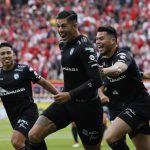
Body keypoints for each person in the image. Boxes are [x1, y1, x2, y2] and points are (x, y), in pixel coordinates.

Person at [28, 10, 103, 150]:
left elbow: (96, 80)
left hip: (88, 107)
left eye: (63, 26)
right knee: (33, 135)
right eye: (58, 26)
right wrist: (68, 96)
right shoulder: (63, 44)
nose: (60, 30)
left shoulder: (85, 47)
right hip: (66, 104)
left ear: (75, 25)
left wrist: (70, 94)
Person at [96, 26, 150, 150]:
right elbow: (99, 84)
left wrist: (103, 71)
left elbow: (118, 69)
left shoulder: (123, 55)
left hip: (139, 105)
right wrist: (101, 94)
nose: (98, 41)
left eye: (101, 38)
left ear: (113, 40)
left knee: (111, 137)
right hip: (122, 106)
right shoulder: (101, 59)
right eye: (97, 39)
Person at [0, 42, 58, 150]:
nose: (6, 55)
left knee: (16, 142)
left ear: (13, 55)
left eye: (8, 53)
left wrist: (58, 95)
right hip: (14, 117)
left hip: (28, 113)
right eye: (2, 54)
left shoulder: (24, 69)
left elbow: (43, 82)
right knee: (34, 144)